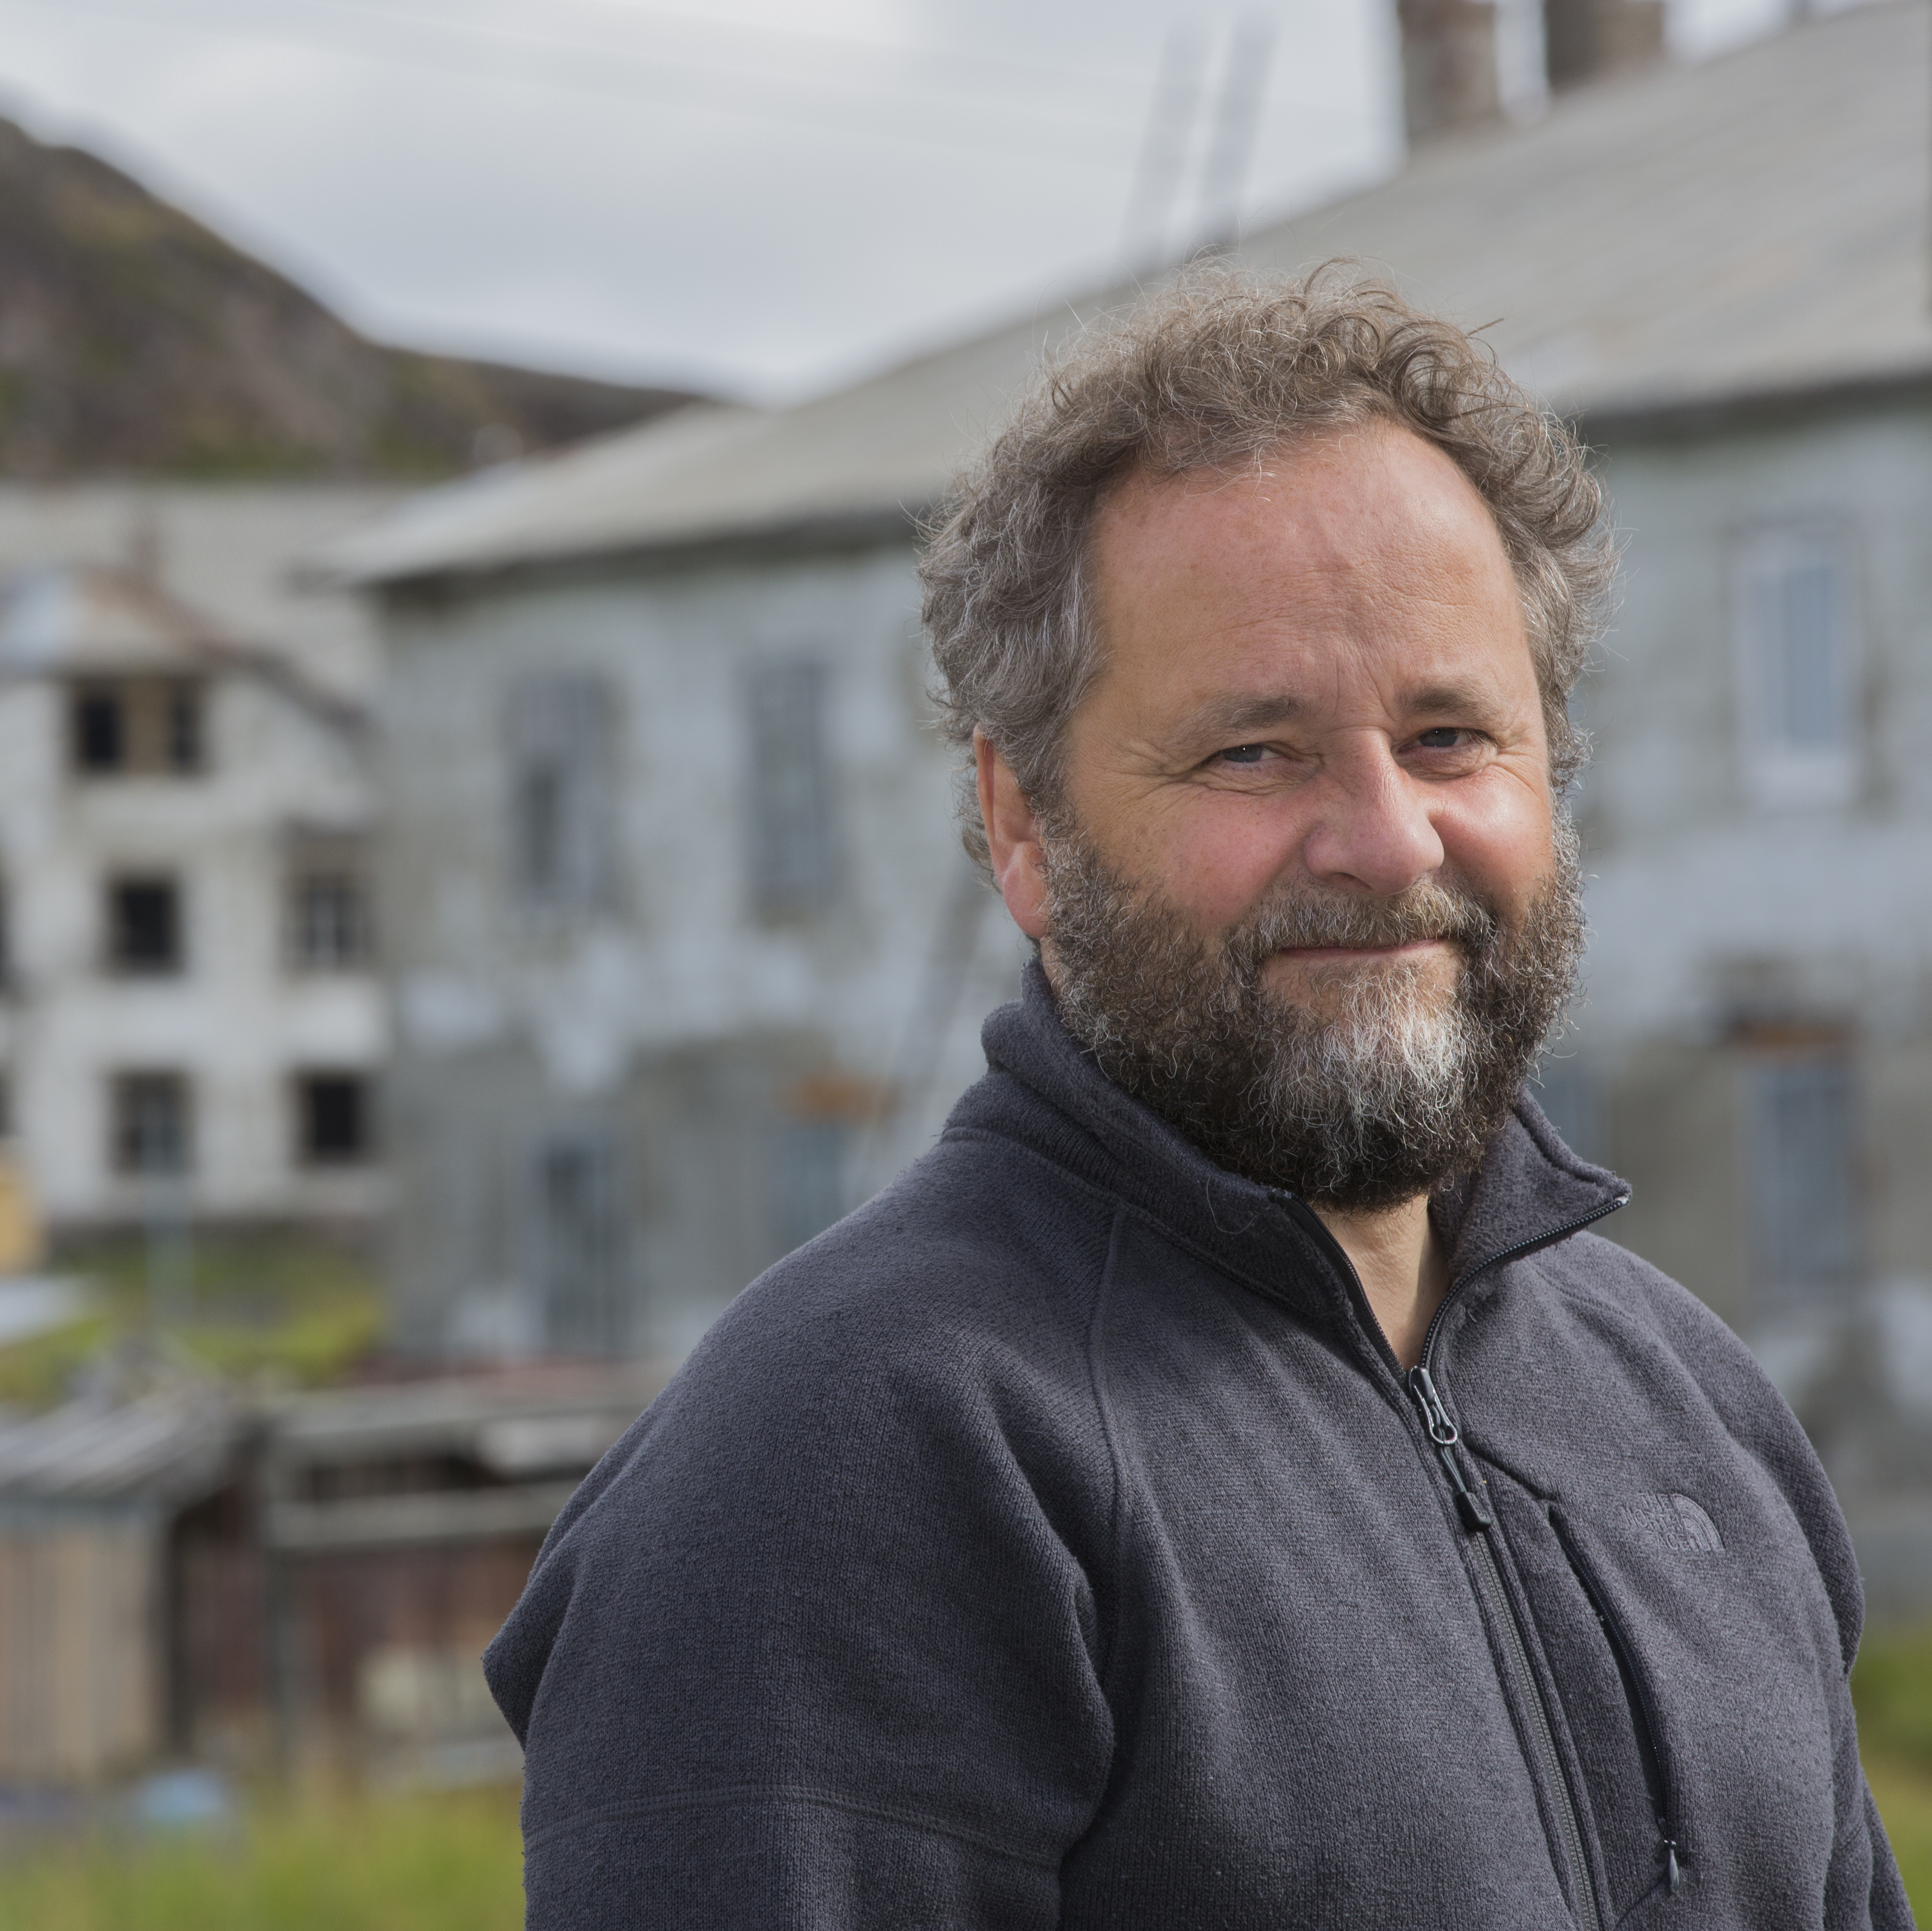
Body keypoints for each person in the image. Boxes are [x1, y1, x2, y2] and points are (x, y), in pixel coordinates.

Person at [485, 271, 1912, 1929]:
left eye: (1453, 736)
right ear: (1024, 826)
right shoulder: (848, 1467)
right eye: (1256, 753)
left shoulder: (1685, 1406)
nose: (1387, 841)